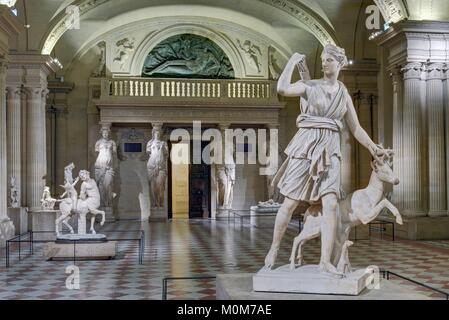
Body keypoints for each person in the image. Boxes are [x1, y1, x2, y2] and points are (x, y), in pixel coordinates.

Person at [264, 44, 387, 274]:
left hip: (330, 150)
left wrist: (373, 147)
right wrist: (293, 59)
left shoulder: (343, 93)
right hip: (306, 146)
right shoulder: (310, 86)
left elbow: (357, 128)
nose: (324, 63)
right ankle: (273, 248)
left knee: (330, 204)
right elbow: (281, 88)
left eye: (329, 59)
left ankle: (325, 261)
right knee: (290, 203)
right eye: (322, 59)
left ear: (340, 63)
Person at [94, 126, 117, 207]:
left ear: (109, 133)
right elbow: (97, 152)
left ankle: (108, 204)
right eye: (104, 133)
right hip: (100, 165)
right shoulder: (98, 142)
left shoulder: (112, 143)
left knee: (109, 185)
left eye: (107, 133)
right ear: (101, 133)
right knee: (101, 186)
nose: (105, 134)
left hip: (109, 167)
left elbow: (114, 154)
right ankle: (103, 205)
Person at [147, 127, 168, 208]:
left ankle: (160, 204)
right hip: (151, 167)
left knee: (160, 186)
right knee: (152, 187)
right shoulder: (150, 143)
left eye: (159, 133)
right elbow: (149, 153)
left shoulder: (164, 143)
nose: (157, 134)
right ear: (153, 133)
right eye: (156, 132)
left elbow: (166, 154)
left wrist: (162, 147)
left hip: (161, 168)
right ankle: (154, 204)